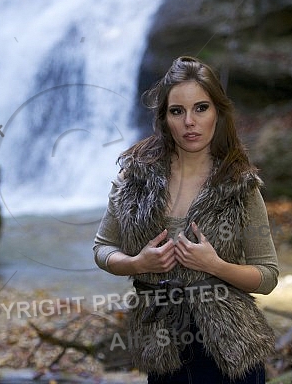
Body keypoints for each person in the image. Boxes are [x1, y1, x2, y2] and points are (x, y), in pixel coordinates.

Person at [93, 56, 279, 383]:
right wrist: (137, 263)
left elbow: (267, 276)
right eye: (177, 111)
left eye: (201, 108)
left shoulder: (240, 186)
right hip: (162, 346)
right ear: (164, 118)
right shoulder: (135, 177)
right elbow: (103, 247)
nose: (189, 121)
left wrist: (215, 265)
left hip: (231, 351)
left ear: (218, 113)